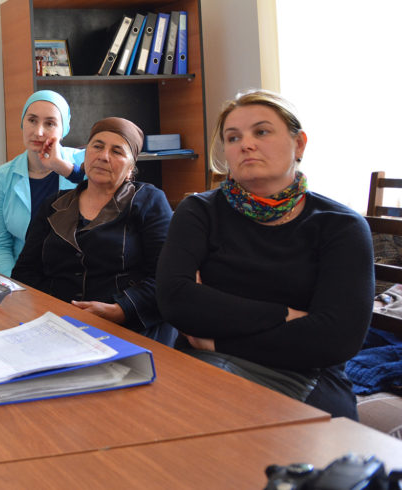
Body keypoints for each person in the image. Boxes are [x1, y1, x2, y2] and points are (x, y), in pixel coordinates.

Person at [156, 90, 372, 419]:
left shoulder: (341, 225)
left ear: (299, 144)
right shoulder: (199, 210)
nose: (246, 144)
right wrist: (285, 314)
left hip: (306, 377)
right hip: (203, 368)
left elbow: (335, 338)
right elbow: (175, 300)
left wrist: (217, 338)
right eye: (233, 137)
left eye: (262, 132)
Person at [12, 117, 175, 344]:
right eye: (97, 146)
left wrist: (122, 308)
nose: (103, 156)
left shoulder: (148, 201)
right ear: (86, 154)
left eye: (117, 151)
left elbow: (168, 277)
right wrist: (54, 311)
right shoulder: (53, 205)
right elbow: (25, 272)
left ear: (131, 168)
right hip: (58, 326)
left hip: (131, 328)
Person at [0, 91, 85, 276]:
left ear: (63, 129)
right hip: (21, 276)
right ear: (22, 123)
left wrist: (60, 165)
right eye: (32, 120)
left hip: (75, 279)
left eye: (50, 123)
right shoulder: (3, 175)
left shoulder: (83, 162)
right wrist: (17, 283)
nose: (38, 132)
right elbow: (0, 244)